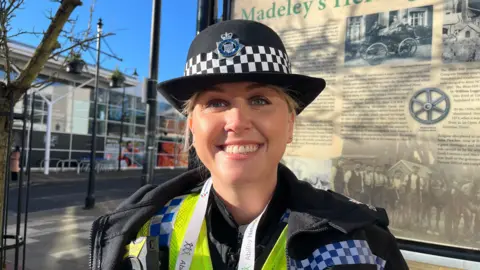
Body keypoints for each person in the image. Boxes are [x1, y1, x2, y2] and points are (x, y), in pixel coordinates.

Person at [89, 20, 408, 270]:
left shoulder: (360, 245)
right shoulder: (144, 231)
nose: (237, 120)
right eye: (215, 102)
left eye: (259, 99)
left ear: (289, 124)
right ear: (191, 127)